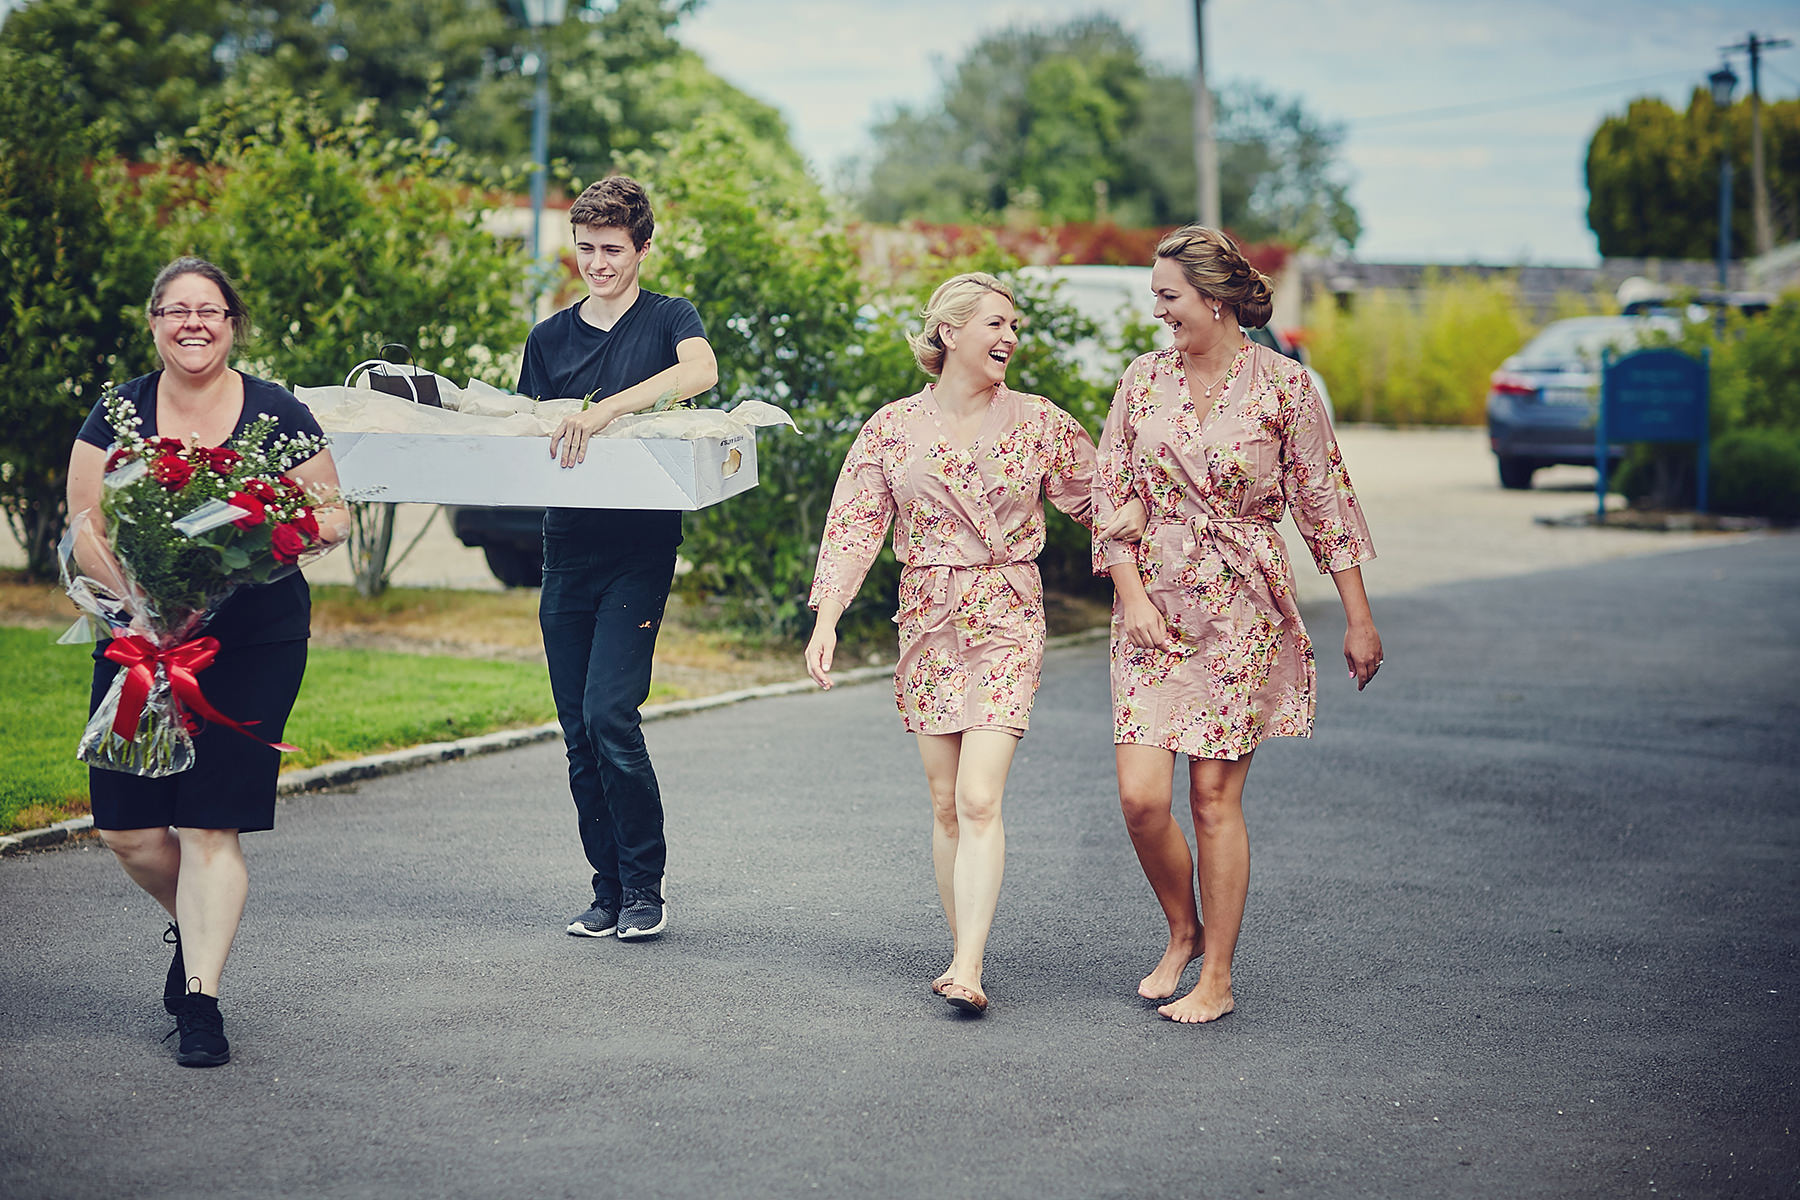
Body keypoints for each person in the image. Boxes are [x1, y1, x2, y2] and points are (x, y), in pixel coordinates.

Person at [1093, 226, 1382, 1025]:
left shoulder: (1286, 389)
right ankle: (1181, 929)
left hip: (1241, 605)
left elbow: (1327, 503)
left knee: (1213, 798)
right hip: (1148, 603)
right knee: (1141, 799)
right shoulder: (1142, 381)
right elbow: (1109, 502)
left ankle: (1216, 976)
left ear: (1216, 300)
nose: (1158, 313)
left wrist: (1359, 618)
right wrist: (1136, 598)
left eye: (1169, 297)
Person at [65, 257, 348, 1066]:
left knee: (209, 824)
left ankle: (201, 1002)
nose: (193, 323)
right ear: (154, 321)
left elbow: (331, 519)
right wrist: (145, 601)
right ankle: (194, 925)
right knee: (126, 830)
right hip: (136, 641)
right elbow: (85, 523)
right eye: (176, 309)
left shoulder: (276, 411)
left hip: (252, 641)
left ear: (232, 323)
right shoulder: (117, 410)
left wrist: (254, 539)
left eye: (209, 311)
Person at [805, 272, 1105, 1016]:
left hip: (1006, 612)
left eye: (1014, 327)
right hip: (928, 618)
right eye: (995, 324)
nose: (1008, 338)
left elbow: (1102, 504)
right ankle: (961, 945)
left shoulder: (1040, 421)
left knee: (978, 796)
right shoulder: (891, 427)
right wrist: (828, 616)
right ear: (949, 333)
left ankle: (969, 966)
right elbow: (855, 523)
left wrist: (1175, 557)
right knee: (945, 801)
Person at [523, 176, 719, 943]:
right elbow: (529, 429)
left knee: (611, 715)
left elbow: (700, 373)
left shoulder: (671, 319)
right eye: (585, 250)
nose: (597, 264)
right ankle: (605, 891)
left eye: (612, 250)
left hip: (638, 551)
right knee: (576, 731)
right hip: (565, 547)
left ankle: (645, 885)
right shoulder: (547, 340)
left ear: (642, 248)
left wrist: (607, 408)